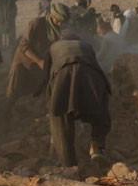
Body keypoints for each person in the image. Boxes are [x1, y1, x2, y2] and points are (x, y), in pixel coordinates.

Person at [40, 36, 111, 166]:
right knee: (101, 110)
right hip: (91, 75)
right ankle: (97, 147)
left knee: (60, 117)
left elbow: (46, 77)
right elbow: (95, 64)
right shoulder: (86, 45)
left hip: (64, 75)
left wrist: (50, 104)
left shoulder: (53, 48)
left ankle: (69, 163)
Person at [6, 3, 69, 105]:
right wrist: (39, 61)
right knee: (14, 91)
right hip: (24, 62)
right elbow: (23, 46)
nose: (60, 24)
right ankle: (6, 114)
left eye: (62, 22)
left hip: (40, 63)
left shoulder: (58, 29)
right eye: (58, 21)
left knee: (36, 92)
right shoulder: (36, 23)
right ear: (52, 16)